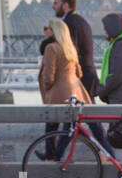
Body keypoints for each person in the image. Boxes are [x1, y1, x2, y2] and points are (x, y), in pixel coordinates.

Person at [50, 0, 106, 153]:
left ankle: (106, 151)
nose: (53, 6)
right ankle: (57, 154)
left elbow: (70, 52)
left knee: (86, 120)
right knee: (77, 118)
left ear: (65, 5)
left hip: (79, 77)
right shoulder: (80, 21)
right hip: (85, 75)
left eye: (56, 3)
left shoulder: (69, 24)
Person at [35, 18, 92, 160]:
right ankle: (57, 154)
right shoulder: (70, 48)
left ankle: (50, 155)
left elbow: (48, 76)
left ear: (54, 31)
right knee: (69, 126)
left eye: (46, 28)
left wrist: (48, 89)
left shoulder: (51, 48)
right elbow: (80, 73)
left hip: (57, 93)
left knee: (51, 125)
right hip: (74, 92)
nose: (44, 31)